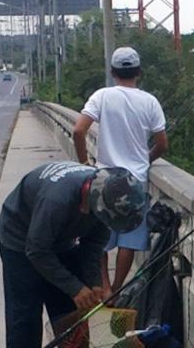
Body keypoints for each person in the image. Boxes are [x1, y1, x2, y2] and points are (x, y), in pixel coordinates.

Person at [0, 162, 146, 348]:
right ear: (94, 200)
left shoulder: (103, 208)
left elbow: (92, 247)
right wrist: (75, 287)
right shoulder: (56, 200)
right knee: (25, 316)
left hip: (62, 240)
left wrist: (93, 285)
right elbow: (37, 250)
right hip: (21, 242)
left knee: (70, 314)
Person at [72, 46, 168, 298]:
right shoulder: (150, 102)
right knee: (129, 239)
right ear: (139, 72)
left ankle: (102, 287)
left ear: (113, 72)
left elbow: (79, 131)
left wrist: (84, 163)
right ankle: (116, 289)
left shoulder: (102, 96)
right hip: (135, 179)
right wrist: (145, 159)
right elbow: (162, 144)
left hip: (104, 179)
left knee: (99, 238)